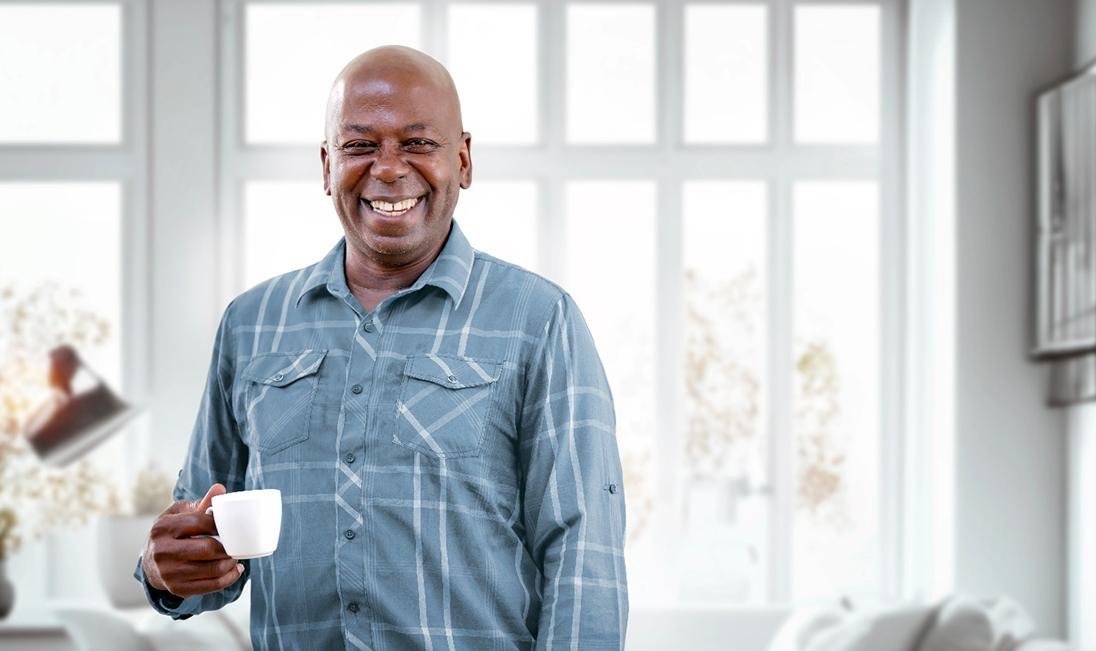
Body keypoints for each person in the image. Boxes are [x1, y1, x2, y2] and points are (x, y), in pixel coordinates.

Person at [135, 45, 628, 649]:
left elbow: (585, 551)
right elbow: (207, 552)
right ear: (326, 165)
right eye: (360, 145)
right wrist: (165, 571)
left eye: (418, 143)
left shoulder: (539, 319)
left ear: (464, 159)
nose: (389, 168)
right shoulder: (250, 325)